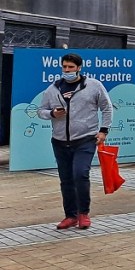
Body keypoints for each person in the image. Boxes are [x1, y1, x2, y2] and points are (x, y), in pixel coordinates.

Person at [38, 52, 113, 230]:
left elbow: (107, 107)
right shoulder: (53, 89)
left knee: (80, 174)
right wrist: (52, 114)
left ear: (79, 68)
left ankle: (83, 214)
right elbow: (41, 110)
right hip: (60, 141)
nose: (67, 70)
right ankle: (70, 216)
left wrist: (104, 130)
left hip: (85, 139)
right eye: (64, 67)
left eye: (71, 67)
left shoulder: (93, 86)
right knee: (66, 180)